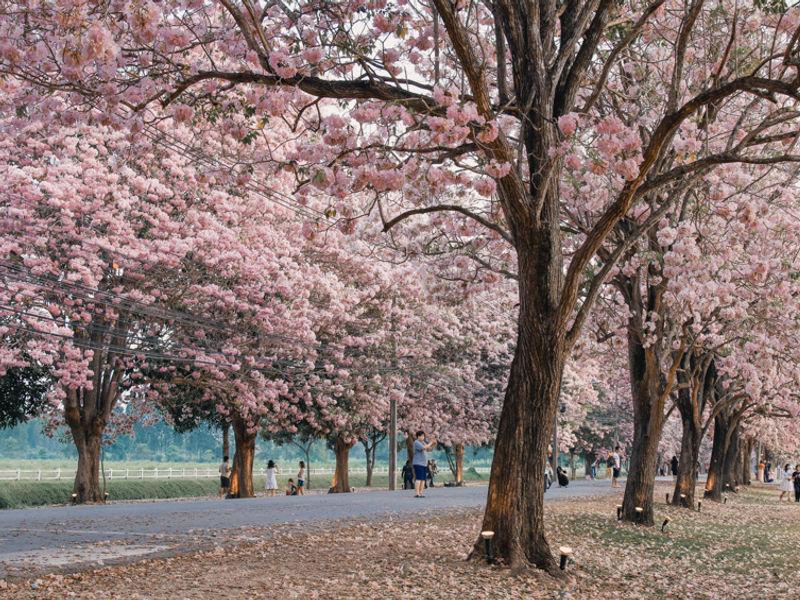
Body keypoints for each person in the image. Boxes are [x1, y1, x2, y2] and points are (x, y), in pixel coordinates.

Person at [413, 430, 436, 498]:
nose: (423, 437)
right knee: (419, 478)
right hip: (418, 463)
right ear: (418, 436)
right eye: (422, 436)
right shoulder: (416, 442)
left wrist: (434, 444)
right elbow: (424, 448)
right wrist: (431, 442)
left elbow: (429, 449)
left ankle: (421, 493)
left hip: (423, 463)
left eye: (423, 436)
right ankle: (417, 493)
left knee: (423, 479)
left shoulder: (422, 442)